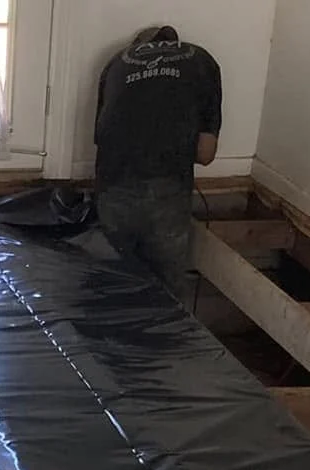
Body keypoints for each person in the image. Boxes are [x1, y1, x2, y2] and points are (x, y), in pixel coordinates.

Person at [93, 25, 222, 300]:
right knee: (167, 290)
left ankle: (111, 341)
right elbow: (205, 153)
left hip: (112, 183)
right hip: (167, 189)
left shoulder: (116, 63)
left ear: (139, 44)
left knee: (111, 284)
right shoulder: (201, 61)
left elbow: (103, 135)